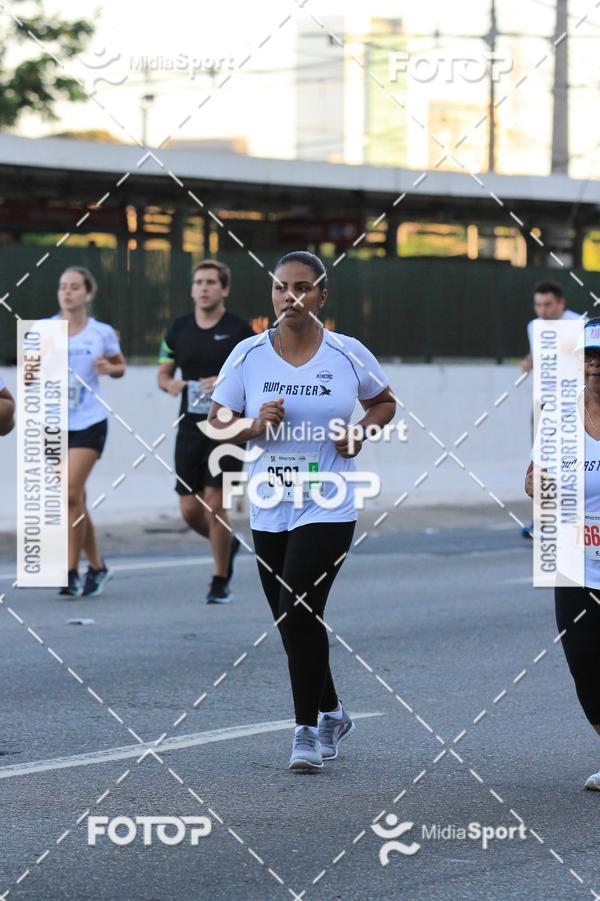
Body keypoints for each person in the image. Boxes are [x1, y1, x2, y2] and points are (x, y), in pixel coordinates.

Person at [208, 251, 395, 771]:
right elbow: (217, 419)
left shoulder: (346, 352)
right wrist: (251, 426)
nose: (290, 297)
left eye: (302, 287)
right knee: (293, 618)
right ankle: (333, 711)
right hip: (270, 503)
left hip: (328, 500)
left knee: (297, 607)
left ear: (322, 295)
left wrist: (360, 431)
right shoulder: (248, 354)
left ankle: (306, 730)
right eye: (280, 287)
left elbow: (384, 402)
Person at [525, 317, 600, 790]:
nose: (596, 365)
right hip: (574, 560)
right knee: (584, 663)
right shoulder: (558, 414)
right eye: (589, 356)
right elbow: (532, 476)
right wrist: (537, 484)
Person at [158, 260, 255, 604]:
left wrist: (224, 382)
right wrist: (171, 384)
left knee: (215, 503)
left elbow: (258, 377)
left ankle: (219, 580)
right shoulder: (178, 328)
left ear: (224, 289)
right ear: (192, 289)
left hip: (228, 427)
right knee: (189, 509)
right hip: (190, 427)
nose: (203, 288)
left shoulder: (240, 331)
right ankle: (226, 543)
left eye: (211, 282)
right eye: (198, 282)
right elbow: (163, 375)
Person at [55, 267, 126, 598]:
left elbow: (120, 366)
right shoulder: (44, 330)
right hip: (53, 423)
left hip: (89, 421)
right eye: (63, 287)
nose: (67, 292)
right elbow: (29, 375)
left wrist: (109, 368)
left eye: (74, 287)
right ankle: (97, 566)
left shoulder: (101, 332)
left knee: (71, 493)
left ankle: (70, 572)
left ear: (88, 293)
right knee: (75, 499)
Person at [521, 281, 583, 538]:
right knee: (540, 463)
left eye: (547, 304)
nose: (542, 310)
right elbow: (539, 355)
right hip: (543, 405)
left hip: (572, 405)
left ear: (560, 303)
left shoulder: (579, 324)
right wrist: (529, 361)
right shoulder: (534, 327)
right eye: (538, 305)